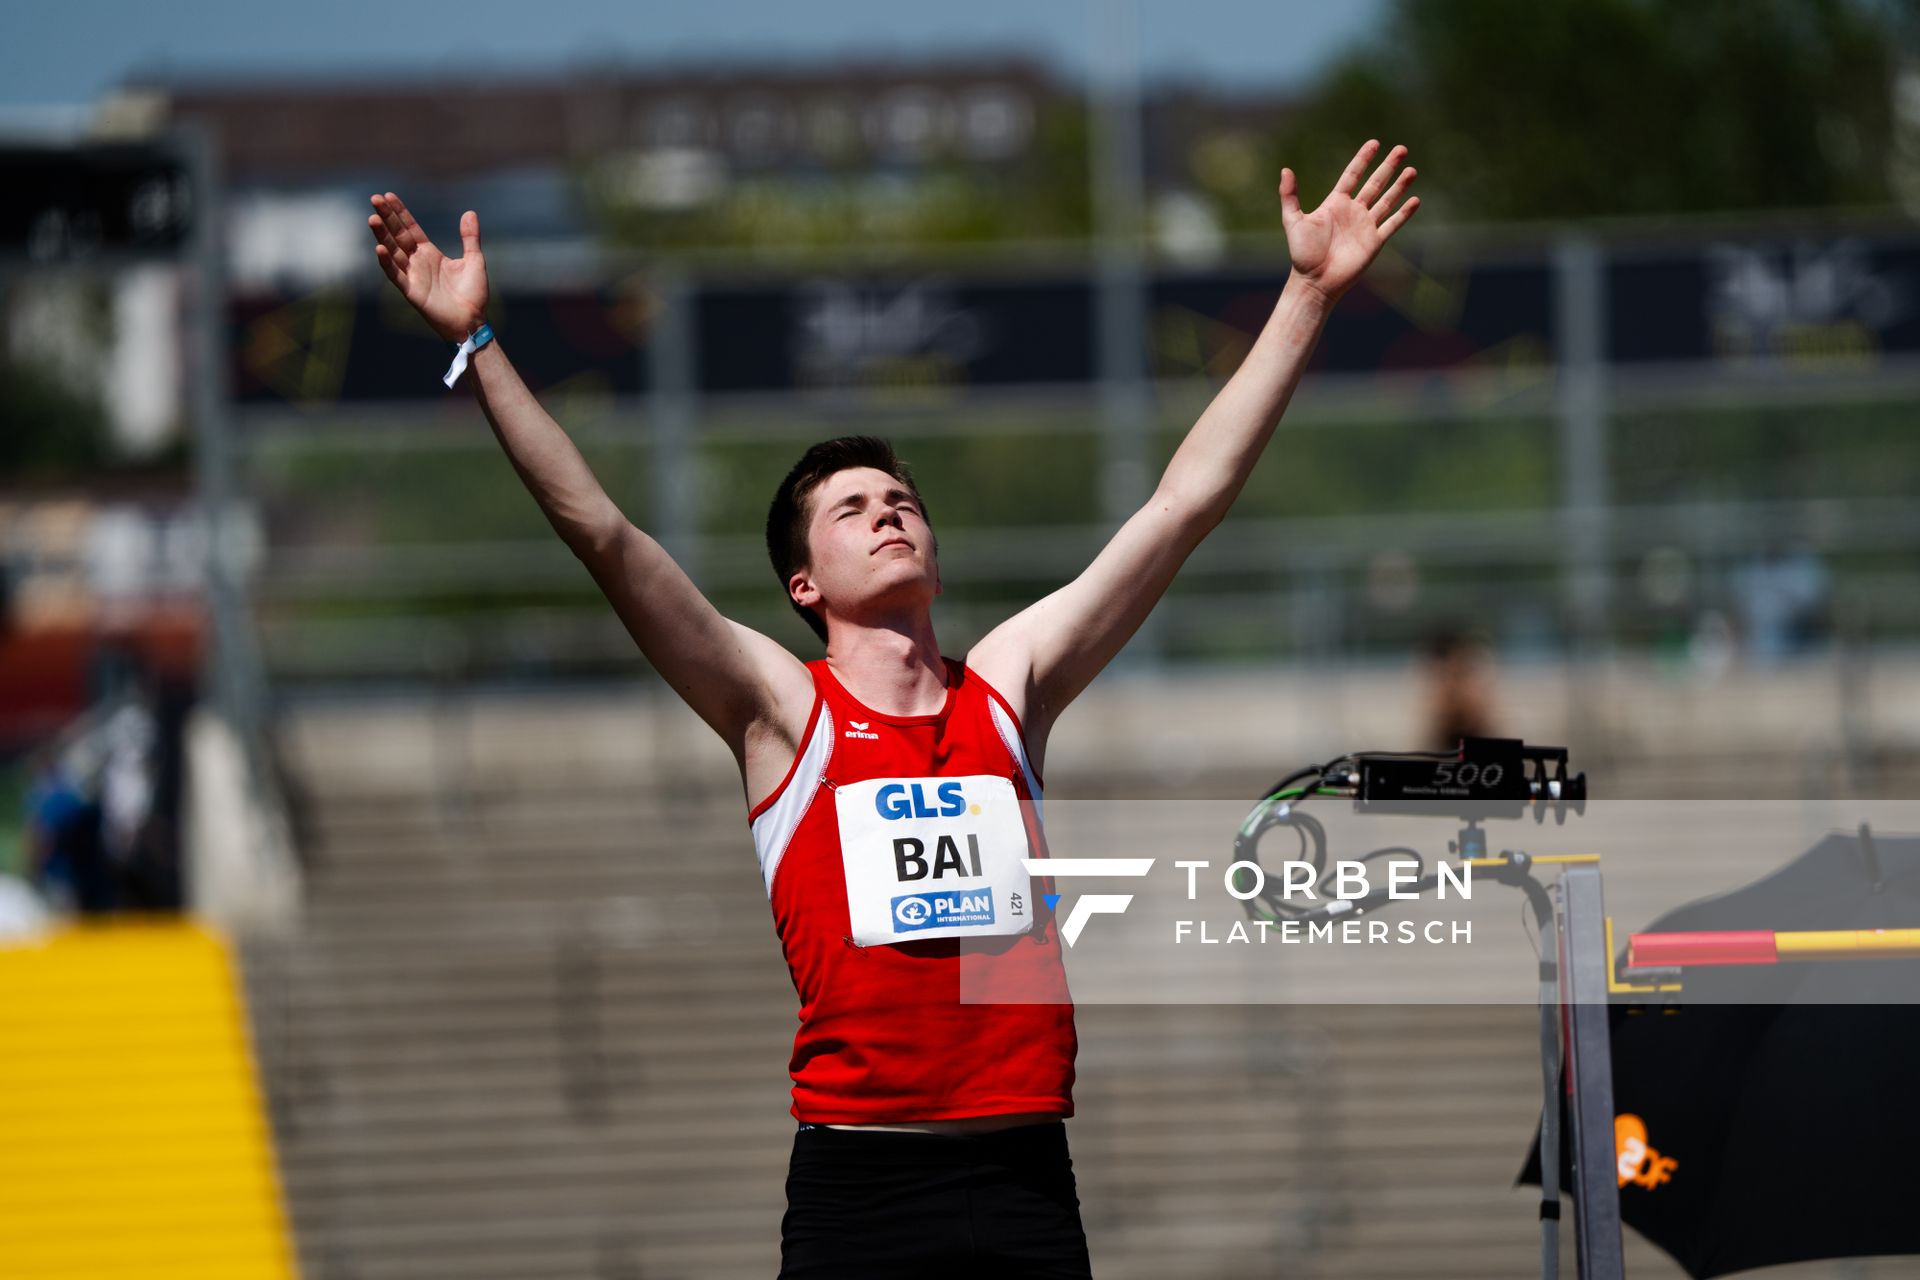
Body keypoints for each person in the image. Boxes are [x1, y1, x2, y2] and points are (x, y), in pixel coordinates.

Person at [367, 138, 1419, 1277]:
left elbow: (1181, 504)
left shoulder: (1007, 684)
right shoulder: (779, 708)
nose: (890, 513)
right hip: (860, 1190)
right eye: (854, 506)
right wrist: (477, 345)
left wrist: (1307, 294)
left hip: (1023, 1177)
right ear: (801, 584)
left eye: (904, 499)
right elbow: (606, 535)